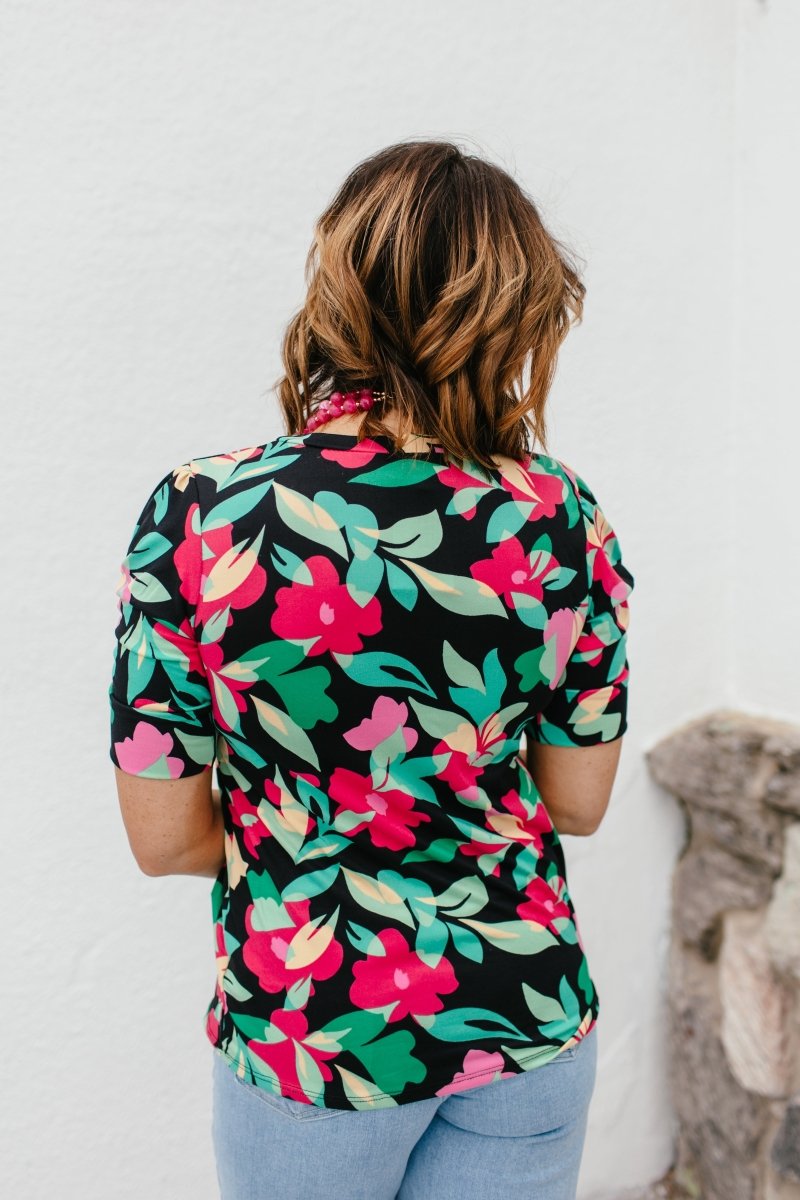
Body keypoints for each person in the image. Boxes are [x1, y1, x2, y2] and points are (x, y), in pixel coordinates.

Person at [109, 139, 634, 1200]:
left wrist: (307, 851)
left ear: (339, 286)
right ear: (517, 311)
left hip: (314, 1034)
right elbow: (576, 803)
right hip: (523, 1017)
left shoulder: (202, 515)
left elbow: (164, 839)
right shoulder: (560, 517)